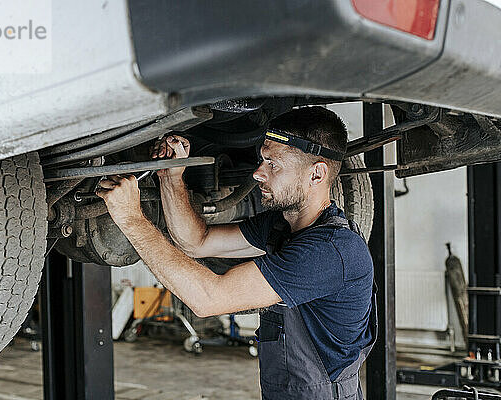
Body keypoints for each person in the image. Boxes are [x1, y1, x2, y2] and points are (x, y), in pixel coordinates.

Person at [96, 106, 377, 399]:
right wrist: (172, 176)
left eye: (273, 164)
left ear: (316, 174)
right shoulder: (282, 226)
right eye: (261, 160)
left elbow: (208, 299)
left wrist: (131, 218)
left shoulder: (328, 253)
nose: (257, 173)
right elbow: (196, 241)